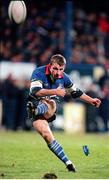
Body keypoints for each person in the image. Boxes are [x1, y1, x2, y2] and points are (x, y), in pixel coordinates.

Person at [27, 54, 101, 172]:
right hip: (35, 106)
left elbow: (76, 92)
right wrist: (55, 91)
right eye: (55, 69)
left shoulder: (64, 78)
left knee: (51, 103)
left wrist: (91, 100)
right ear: (50, 66)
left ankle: (34, 110)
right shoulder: (38, 72)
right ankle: (69, 163)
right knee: (46, 135)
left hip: (48, 109)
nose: (58, 72)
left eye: (61, 69)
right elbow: (35, 91)